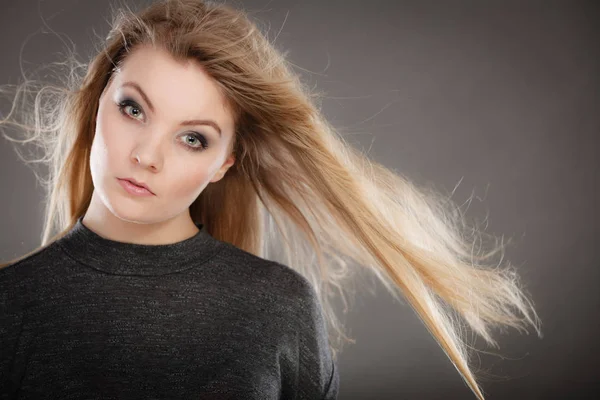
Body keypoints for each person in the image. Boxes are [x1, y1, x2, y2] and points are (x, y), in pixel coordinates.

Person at [0, 0, 542, 398]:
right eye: (134, 108)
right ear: (98, 101)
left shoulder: (278, 308)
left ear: (223, 165)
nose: (147, 155)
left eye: (193, 138)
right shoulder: (11, 306)